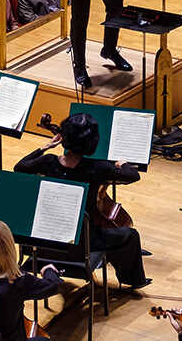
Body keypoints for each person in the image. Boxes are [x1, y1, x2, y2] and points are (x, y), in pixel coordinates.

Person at [13, 113, 151, 289]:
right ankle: (134, 281)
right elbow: (133, 175)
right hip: (82, 245)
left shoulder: (48, 162)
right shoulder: (97, 168)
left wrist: (46, 146)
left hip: (44, 243)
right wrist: (121, 164)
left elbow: (20, 167)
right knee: (130, 235)